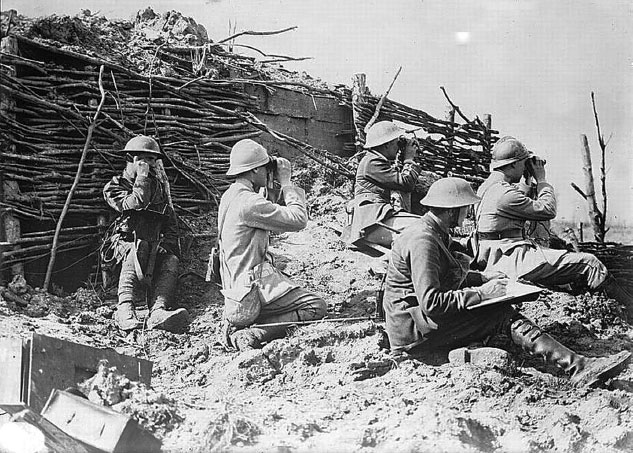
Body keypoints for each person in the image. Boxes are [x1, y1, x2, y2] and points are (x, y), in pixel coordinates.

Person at [383, 177, 631, 387]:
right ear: (450, 211)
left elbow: (441, 276)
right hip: (414, 333)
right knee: (501, 314)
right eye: (464, 208)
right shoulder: (423, 240)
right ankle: (578, 368)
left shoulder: (430, 232)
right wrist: (483, 293)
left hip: (415, 325)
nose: (467, 213)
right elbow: (433, 303)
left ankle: (460, 352)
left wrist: (482, 278)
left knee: (492, 312)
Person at [475, 136, 633, 316]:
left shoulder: (487, 187)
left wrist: (526, 179)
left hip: (494, 256)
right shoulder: (504, 193)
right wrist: (541, 180)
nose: (526, 166)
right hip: (511, 260)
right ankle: (630, 310)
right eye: (523, 163)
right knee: (590, 263)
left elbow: (517, 204)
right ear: (511, 165)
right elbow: (547, 210)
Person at [218, 139, 327, 351]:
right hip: (248, 296)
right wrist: (286, 182)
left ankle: (248, 325)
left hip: (235, 290)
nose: (269, 172)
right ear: (255, 170)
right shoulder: (249, 203)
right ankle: (252, 333)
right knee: (315, 305)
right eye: (266, 168)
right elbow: (298, 219)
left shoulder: (231, 196)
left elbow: (266, 208)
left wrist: (269, 184)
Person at [103, 135, 189, 333]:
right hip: (124, 245)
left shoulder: (156, 187)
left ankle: (158, 310)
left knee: (171, 260)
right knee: (137, 249)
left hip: (153, 243)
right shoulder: (115, 186)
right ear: (130, 160)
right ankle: (124, 308)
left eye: (152, 160)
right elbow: (133, 205)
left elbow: (169, 219)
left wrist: (166, 245)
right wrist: (141, 179)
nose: (148, 165)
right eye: (143, 159)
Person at [347, 121, 423, 248]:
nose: (399, 147)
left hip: (375, 220)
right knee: (423, 228)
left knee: (423, 226)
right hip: (370, 225)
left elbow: (399, 179)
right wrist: (409, 159)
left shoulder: (375, 160)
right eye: (396, 143)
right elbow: (406, 183)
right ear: (387, 145)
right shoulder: (372, 163)